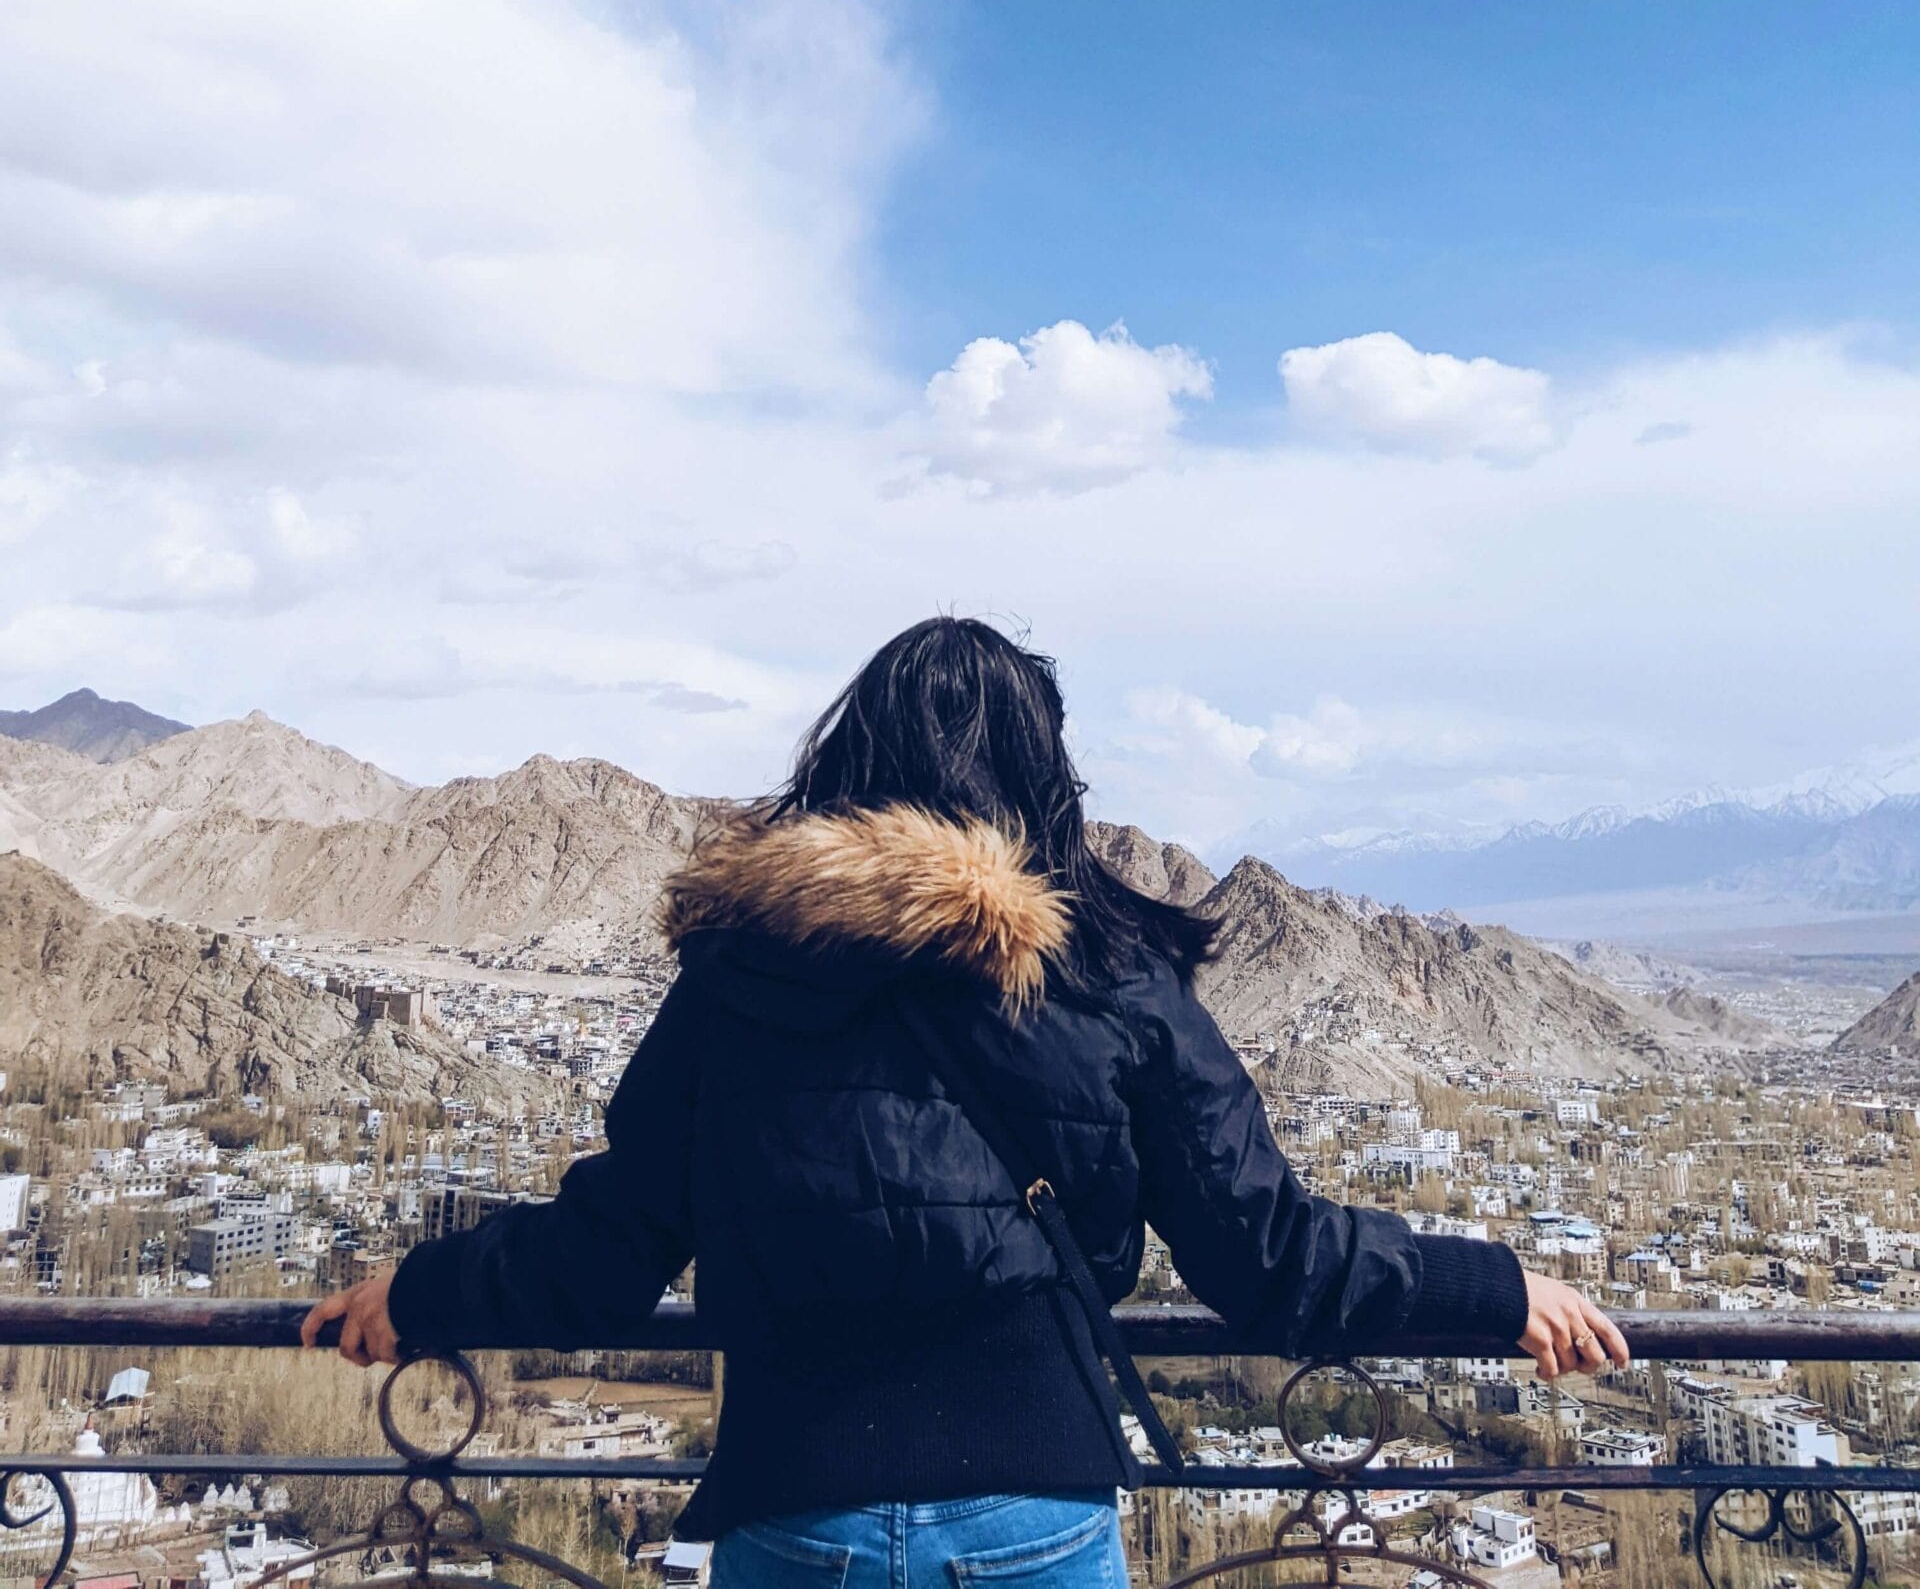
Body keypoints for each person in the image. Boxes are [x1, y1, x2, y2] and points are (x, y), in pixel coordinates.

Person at [304, 617, 1627, 1589]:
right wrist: (1493, 1289)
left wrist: (420, 1294)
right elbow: (1266, 1256)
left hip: (795, 1519)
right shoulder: (1112, 981)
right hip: (1032, 1519)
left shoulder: (738, 977)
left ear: (844, 766)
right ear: (1045, 781)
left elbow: (605, 1254)